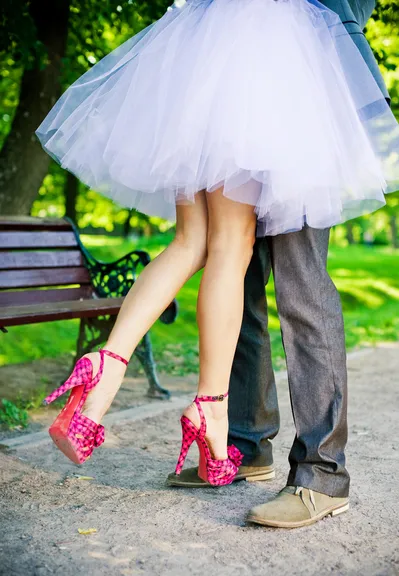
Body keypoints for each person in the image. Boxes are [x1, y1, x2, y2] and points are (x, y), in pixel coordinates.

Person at [38, 0, 399, 516]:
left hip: (240, 59)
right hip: (273, 53)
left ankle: (320, 474)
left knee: (267, 271)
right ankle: (237, 436)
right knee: (234, 257)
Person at [167, 0, 394, 528]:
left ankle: (322, 474)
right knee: (236, 272)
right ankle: (247, 443)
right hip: (239, 81)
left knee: (300, 282)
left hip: (312, 79)